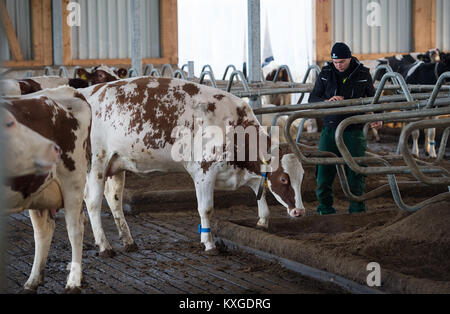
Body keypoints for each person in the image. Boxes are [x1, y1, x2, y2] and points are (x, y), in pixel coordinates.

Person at [308, 42, 381, 215]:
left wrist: (378, 115)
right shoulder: (326, 73)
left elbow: (372, 97)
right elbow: (313, 98)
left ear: (349, 58)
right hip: (329, 130)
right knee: (323, 173)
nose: (338, 65)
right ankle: (324, 209)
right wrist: (326, 102)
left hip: (353, 130)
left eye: (342, 61)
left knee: (356, 171)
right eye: (335, 62)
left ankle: (357, 210)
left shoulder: (363, 73)